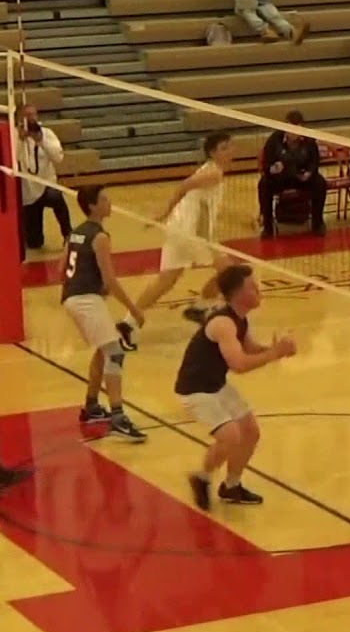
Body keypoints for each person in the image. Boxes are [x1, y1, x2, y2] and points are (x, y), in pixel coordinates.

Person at [179, 264, 297, 511]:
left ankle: (231, 486)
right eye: (253, 287)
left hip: (215, 384)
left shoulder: (238, 318)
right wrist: (274, 354)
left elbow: (249, 348)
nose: (259, 290)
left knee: (250, 431)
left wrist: (277, 350)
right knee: (231, 436)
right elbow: (240, 364)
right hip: (197, 389)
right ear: (238, 293)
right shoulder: (223, 323)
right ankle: (201, 477)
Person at [117, 131, 235, 350]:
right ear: (212, 153)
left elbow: (192, 196)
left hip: (180, 228)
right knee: (230, 273)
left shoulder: (213, 172)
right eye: (224, 148)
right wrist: (166, 211)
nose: (230, 152)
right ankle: (201, 307)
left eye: (230, 147)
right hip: (189, 232)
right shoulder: (213, 174)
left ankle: (128, 322)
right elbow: (183, 186)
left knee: (166, 280)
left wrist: (166, 214)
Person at [59, 185, 147, 441]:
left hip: (72, 296)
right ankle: (118, 417)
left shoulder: (75, 233)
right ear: (93, 206)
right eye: (105, 199)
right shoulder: (100, 237)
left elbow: (60, 269)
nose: (110, 202)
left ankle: (92, 406)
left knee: (102, 348)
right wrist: (134, 310)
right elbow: (110, 280)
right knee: (115, 352)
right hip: (85, 298)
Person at [257, 110, 327, 237]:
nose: (294, 133)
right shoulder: (274, 140)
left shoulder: (309, 141)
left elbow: (315, 162)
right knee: (264, 184)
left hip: (301, 178)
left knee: (320, 183)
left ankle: (318, 223)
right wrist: (272, 169)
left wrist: (309, 173)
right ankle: (267, 227)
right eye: (291, 128)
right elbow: (266, 164)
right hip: (281, 178)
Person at [18, 103, 71, 255]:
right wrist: (20, 140)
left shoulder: (47, 133)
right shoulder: (14, 136)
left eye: (32, 115)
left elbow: (58, 157)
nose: (30, 119)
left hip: (47, 185)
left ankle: (69, 234)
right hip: (28, 193)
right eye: (26, 116)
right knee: (35, 243)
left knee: (56, 196)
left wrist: (40, 140)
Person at [232, 0, 309, 44]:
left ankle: (292, 32)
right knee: (252, 17)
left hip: (264, 3)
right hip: (246, 5)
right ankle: (267, 32)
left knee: (274, 15)